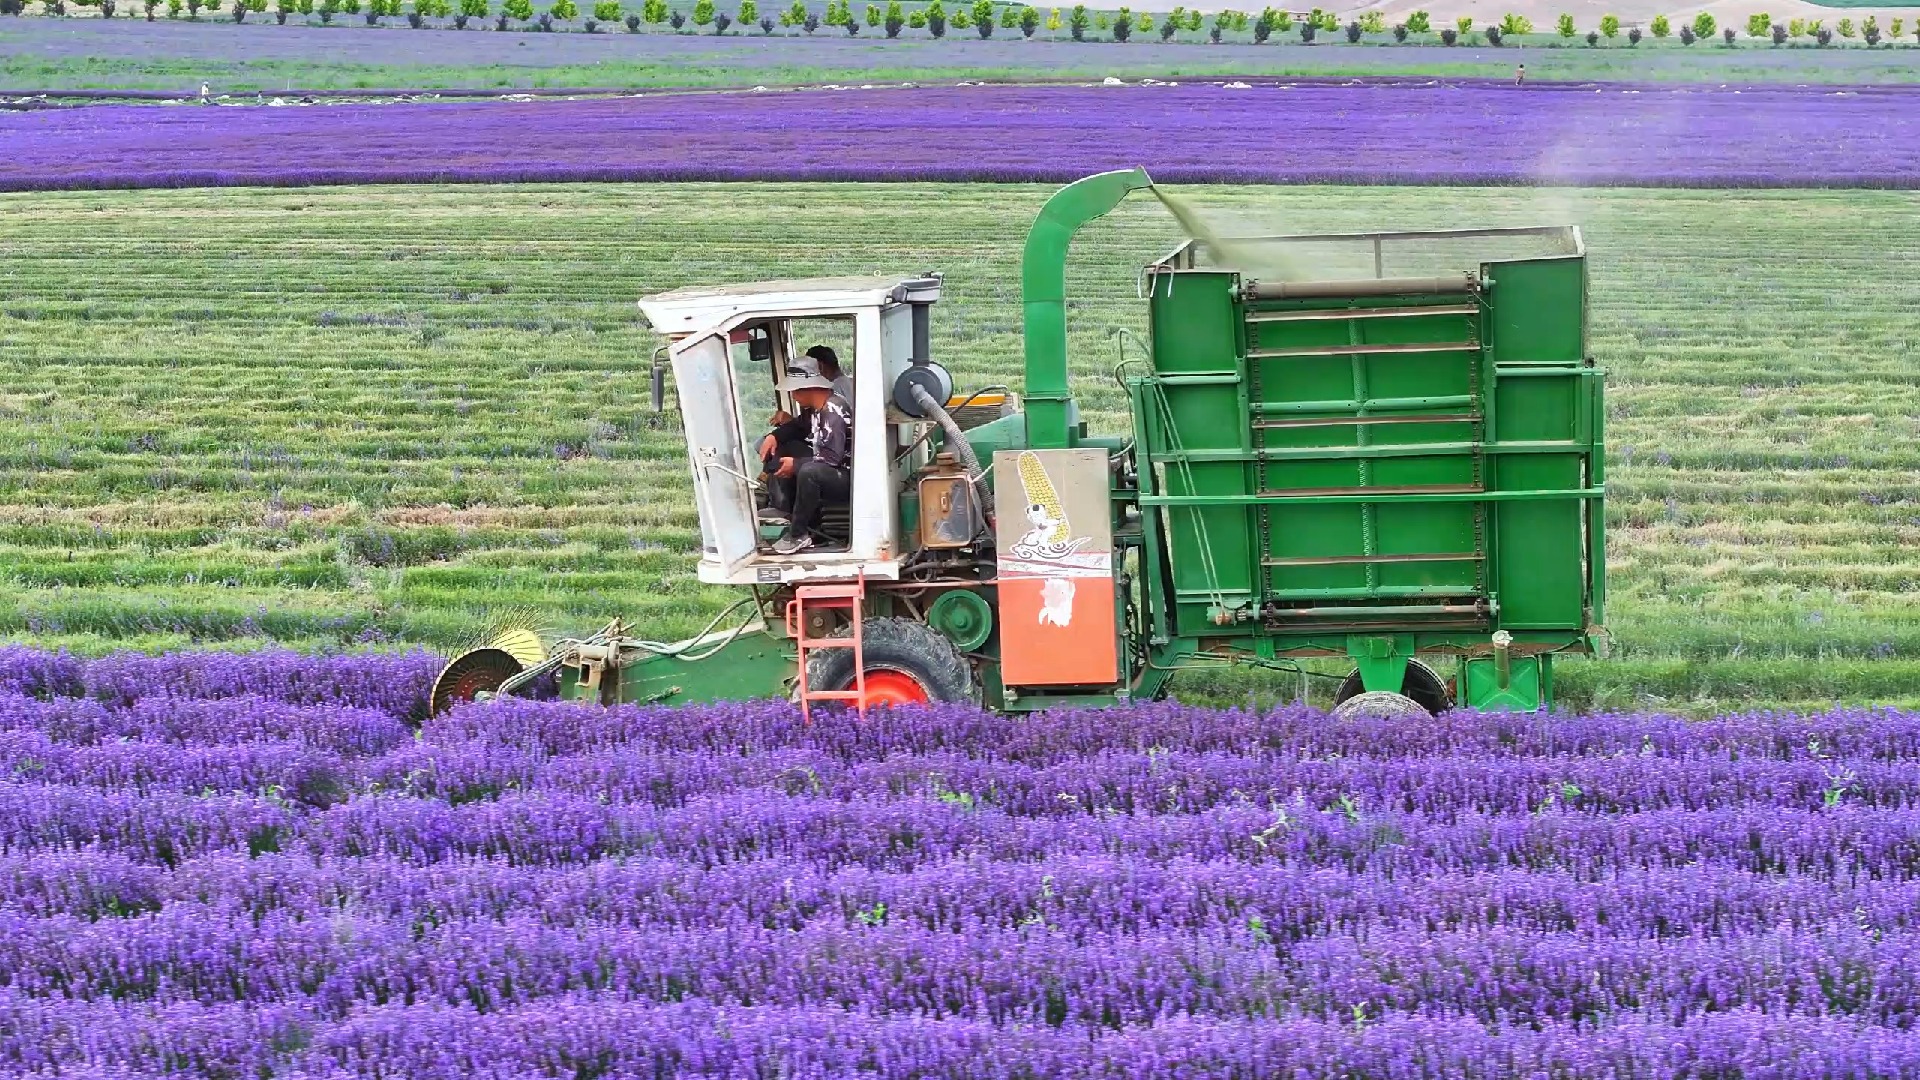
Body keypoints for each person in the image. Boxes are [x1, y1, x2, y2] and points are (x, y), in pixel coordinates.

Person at [765, 355, 853, 556]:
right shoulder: (814, 410)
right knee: (790, 449)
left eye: (795, 390)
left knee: (809, 471)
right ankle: (785, 509)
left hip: (846, 476)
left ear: (809, 387)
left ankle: (799, 534)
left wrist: (795, 465)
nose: (794, 395)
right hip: (830, 469)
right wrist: (775, 437)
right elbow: (797, 427)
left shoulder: (834, 410)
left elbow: (832, 458)